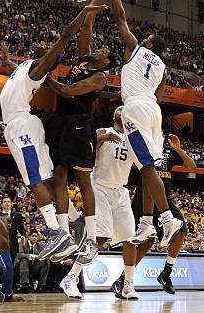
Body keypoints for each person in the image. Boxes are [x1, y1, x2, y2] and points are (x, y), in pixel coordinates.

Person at [0, 3, 106, 261]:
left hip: (22, 125)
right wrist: (6, 61)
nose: (45, 47)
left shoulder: (39, 68)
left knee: (35, 180)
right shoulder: (25, 66)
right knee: (48, 180)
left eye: (48, 51)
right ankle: (75, 220)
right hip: (23, 125)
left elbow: (66, 37)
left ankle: (57, 233)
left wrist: (83, 12)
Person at [106, 0, 183, 247]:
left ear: (149, 43)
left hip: (136, 108)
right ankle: (147, 224)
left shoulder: (135, 47)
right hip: (153, 111)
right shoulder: (162, 69)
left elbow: (120, 18)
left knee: (147, 169)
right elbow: (160, 97)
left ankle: (167, 219)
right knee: (147, 166)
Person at [43, 0, 116, 264]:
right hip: (62, 122)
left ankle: (92, 238)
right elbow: (87, 25)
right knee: (59, 177)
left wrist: (39, 75)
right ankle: (63, 233)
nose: (99, 49)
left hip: (79, 124)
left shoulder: (99, 77)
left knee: (83, 179)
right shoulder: (83, 61)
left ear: (106, 62)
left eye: (104, 52)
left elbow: (68, 90)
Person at [59, 106, 136, 299]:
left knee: (130, 240)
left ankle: (128, 285)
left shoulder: (134, 138)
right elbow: (85, 146)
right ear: (114, 116)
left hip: (120, 191)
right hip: (99, 187)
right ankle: (71, 278)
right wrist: (101, 139)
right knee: (100, 239)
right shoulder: (103, 131)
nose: (122, 110)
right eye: (119, 109)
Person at [111, 132, 196, 299]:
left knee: (183, 230)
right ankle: (123, 279)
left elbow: (192, 166)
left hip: (165, 199)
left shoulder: (169, 151)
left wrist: (178, 149)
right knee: (142, 241)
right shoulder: (144, 146)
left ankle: (166, 272)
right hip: (144, 197)